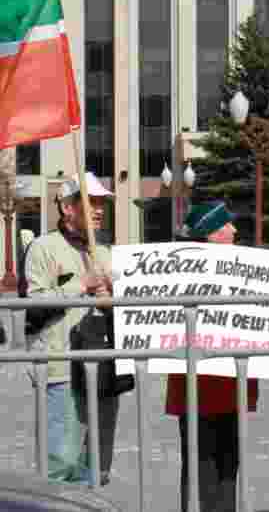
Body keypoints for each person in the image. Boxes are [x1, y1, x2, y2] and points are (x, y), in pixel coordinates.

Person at [22, 171, 118, 485]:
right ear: (67, 207)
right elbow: (33, 306)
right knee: (60, 467)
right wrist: (81, 285)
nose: (100, 209)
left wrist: (113, 299)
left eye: (102, 203)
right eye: (92, 202)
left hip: (102, 370)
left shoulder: (104, 251)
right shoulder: (43, 248)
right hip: (61, 370)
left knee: (96, 469)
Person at [166, 201, 259, 512]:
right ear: (209, 233)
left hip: (233, 386)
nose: (234, 229)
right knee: (200, 470)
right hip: (197, 390)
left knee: (228, 470)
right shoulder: (179, 268)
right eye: (226, 225)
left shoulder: (246, 266)